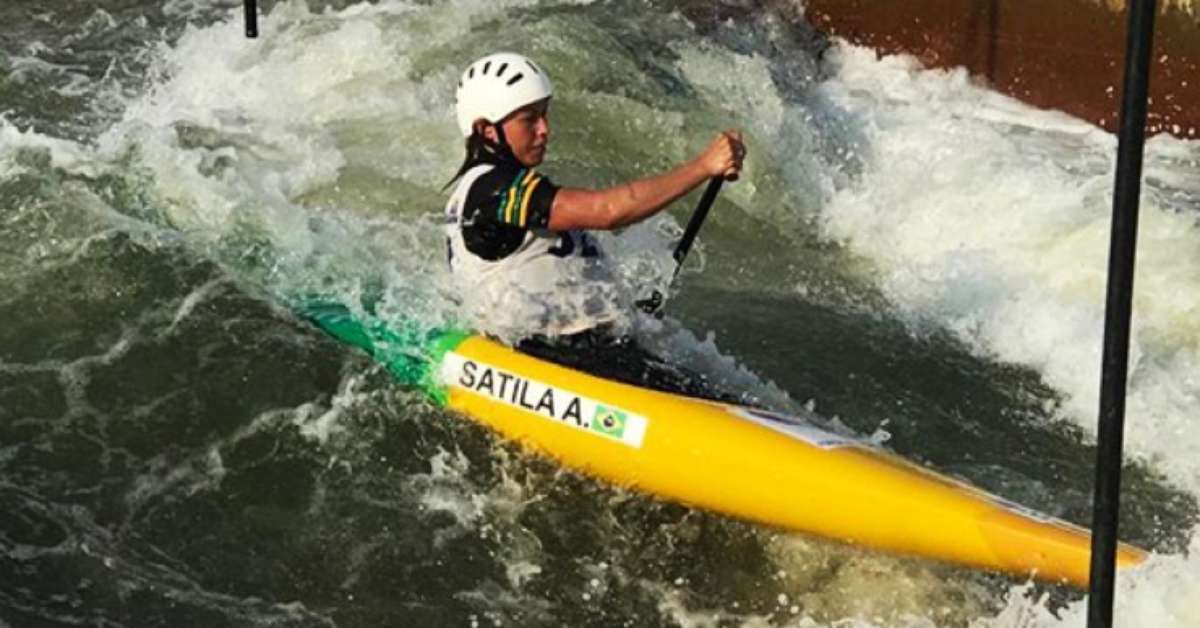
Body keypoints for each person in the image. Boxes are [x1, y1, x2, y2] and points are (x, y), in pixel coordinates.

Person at [444, 51, 745, 400]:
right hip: (555, 358)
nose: (545, 130)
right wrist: (703, 166)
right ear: (487, 130)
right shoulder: (491, 190)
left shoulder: (501, 185)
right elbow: (608, 211)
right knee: (716, 404)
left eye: (545, 115)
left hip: (587, 353)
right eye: (530, 119)